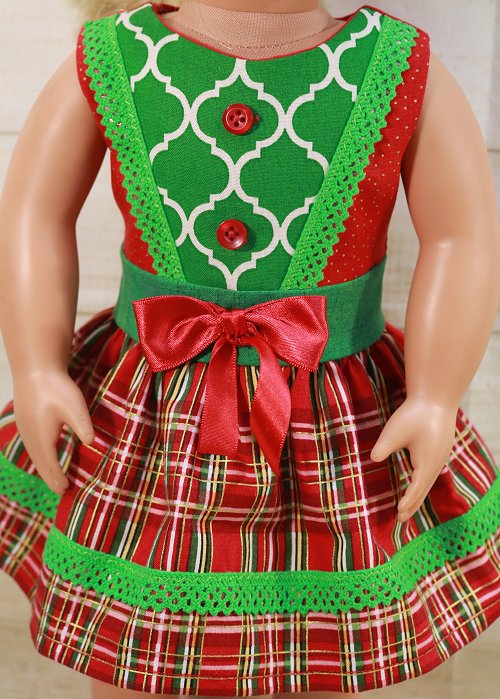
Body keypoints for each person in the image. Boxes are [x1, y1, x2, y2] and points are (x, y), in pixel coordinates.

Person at [0, 1, 499, 697]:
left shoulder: (397, 66)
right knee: (138, 642)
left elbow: (463, 236)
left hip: (331, 424)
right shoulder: (116, 55)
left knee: (320, 640)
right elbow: (32, 213)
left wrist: (437, 392)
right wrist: (35, 364)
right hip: (151, 421)